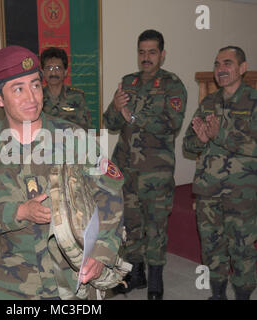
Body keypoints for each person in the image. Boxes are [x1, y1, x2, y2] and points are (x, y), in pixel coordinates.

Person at [0, 45, 125, 300]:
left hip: (73, 278)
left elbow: (110, 193)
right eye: (18, 89)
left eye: (35, 85)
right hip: (15, 282)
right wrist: (19, 212)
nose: (31, 97)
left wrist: (102, 252)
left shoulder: (75, 138)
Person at [103, 29, 187, 300]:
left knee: (156, 226)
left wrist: (134, 116)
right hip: (127, 170)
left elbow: (171, 125)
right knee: (131, 225)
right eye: (142, 52)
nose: (146, 57)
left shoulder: (173, 85)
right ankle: (135, 273)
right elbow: (110, 123)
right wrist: (116, 108)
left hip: (156, 172)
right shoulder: (127, 82)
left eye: (152, 52)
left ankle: (156, 280)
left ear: (162, 54)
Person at [183, 46, 257, 300]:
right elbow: (187, 144)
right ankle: (217, 295)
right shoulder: (209, 102)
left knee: (242, 250)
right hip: (208, 191)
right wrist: (201, 140)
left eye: (227, 63)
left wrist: (220, 135)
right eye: (216, 64)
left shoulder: (254, 101)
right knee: (212, 247)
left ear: (243, 68)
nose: (220, 69)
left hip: (242, 193)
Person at [40, 47, 92, 130]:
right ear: (42, 72)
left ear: (65, 72)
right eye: (49, 68)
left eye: (58, 68)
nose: (53, 73)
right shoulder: (36, 97)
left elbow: (87, 130)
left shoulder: (77, 96)